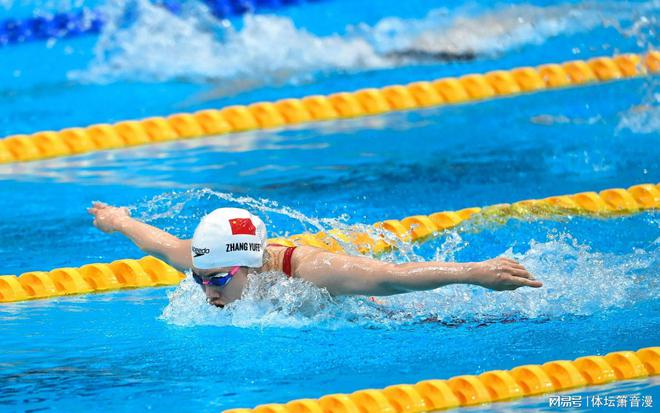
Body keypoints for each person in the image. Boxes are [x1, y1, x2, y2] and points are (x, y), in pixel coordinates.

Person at [88, 202, 542, 308]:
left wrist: (474, 271)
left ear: (249, 264)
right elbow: (153, 240)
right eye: (197, 278)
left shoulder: (313, 271)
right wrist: (116, 219)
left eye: (216, 280)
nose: (205, 289)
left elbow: (393, 276)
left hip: (371, 314)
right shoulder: (206, 258)